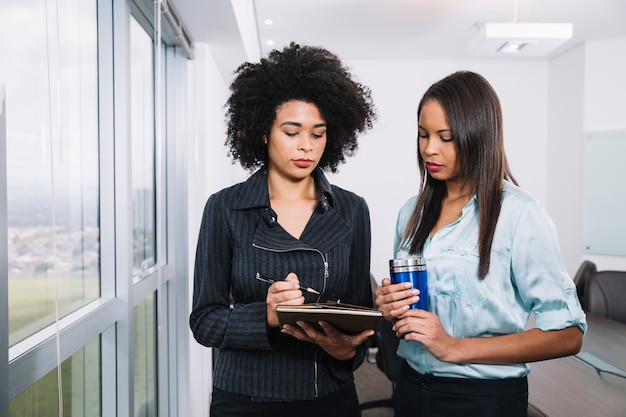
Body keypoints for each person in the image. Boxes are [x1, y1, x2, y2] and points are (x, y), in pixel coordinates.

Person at [375, 71, 587, 417]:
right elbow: (413, 310)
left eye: (446, 137)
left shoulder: (520, 215)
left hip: (482, 400)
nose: (430, 148)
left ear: (478, 136)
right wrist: (389, 305)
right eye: (423, 135)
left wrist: (454, 347)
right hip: (411, 388)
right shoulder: (411, 213)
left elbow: (568, 334)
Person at [189, 42, 377, 417]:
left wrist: (347, 351)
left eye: (318, 134)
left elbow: (361, 315)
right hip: (244, 399)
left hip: (328, 396)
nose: (306, 146)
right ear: (263, 132)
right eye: (292, 132)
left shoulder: (352, 211)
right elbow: (204, 321)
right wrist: (268, 315)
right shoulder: (225, 208)